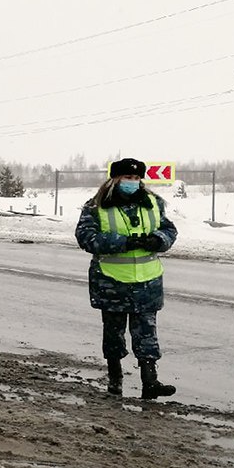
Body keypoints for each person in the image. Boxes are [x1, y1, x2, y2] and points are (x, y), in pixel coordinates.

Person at [75, 158, 178, 399]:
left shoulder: (153, 203)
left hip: (147, 281)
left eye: (135, 178)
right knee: (114, 333)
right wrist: (124, 242)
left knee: (147, 334)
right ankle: (115, 377)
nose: (132, 182)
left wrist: (159, 239)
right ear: (115, 179)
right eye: (126, 178)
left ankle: (150, 381)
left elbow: (169, 229)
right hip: (112, 282)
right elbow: (86, 238)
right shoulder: (96, 206)